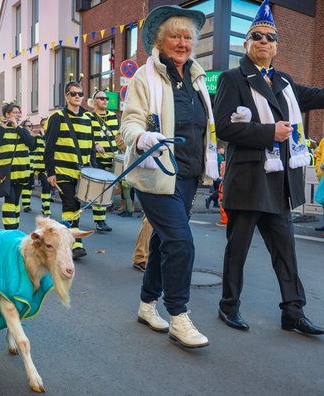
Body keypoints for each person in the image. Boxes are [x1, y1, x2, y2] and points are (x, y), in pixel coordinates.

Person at [213, 0, 324, 334]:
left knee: (286, 252)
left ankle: (293, 313)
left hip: (279, 184)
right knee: (236, 251)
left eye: (270, 37)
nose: (264, 41)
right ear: (247, 43)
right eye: (257, 36)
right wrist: (269, 132)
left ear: (277, 46)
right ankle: (229, 307)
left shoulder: (285, 82)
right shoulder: (231, 78)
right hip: (248, 182)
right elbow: (223, 128)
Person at [120, 4, 218, 348]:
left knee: (163, 240)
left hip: (189, 174)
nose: (182, 42)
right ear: (160, 41)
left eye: (187, 37)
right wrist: (141, 136)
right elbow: (130, 120)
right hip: (156, 173)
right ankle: (179, 316)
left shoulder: (198, 77)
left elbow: (204, 126)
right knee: (181, 243)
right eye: (174, 35)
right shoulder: (144, 78)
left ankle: (147, 305)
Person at [45, 82, 97, 259]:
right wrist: (50, 172)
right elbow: (49, 146)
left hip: (82, 172)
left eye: (80, 94)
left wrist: (94, 169)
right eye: (73, 93)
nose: (77, 97)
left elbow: (90, 146)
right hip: (63, 170)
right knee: (70, 205)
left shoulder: (88, 118)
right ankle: (75, 245)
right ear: (66, 96)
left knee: (77, 206)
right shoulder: (57, 117)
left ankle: (68, 239)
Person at [0, 103, 37, 230]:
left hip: (21, 172)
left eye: (19, 112)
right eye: (15, 112)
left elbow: (32, 145)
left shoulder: (23, 129)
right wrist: (1, 129)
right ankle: (10, 232)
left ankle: (14, 228)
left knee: (16, 201)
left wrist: (18, 128)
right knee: (10, 200)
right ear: (7, 114)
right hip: (5, 172)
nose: (19, 114)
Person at [85, 90, 119, 232]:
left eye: (106, 98)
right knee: (99, 189)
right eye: (101, 98)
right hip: (96, 158)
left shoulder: (113, 116)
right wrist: (94, 144)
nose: (105, 100)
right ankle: (100, 221)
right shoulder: (87, 116)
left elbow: (117, 136)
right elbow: (85, 136)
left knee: (108, 190)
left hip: (112, 157)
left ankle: (102, 217)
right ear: (94, 102)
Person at [20, 119, 40, 214]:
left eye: (30, 126)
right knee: (24, 186)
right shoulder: (21, 136)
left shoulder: (34, 136)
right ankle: (25, 205)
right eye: (27, 126)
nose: (29, 128)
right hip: (22, 166)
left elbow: (35, 148)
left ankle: (27, 204)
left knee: (29, 186)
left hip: (32, 166)